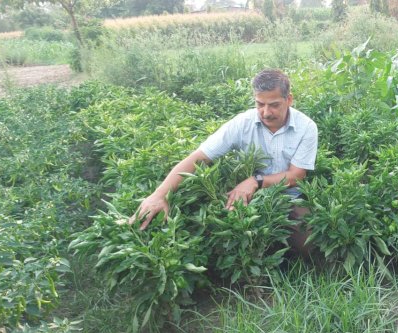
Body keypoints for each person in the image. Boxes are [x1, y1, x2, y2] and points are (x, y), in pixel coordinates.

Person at [128, 69, 318, 252]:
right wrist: (159, 194)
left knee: (309, 245)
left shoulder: (306, 127)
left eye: (274, 105)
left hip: (287, 197)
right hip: (244, 197)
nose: (266, 112)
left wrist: (255, 181)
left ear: (289, 100)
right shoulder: (241, 123)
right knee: (224, 238)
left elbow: (296, 175)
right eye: (260, 104)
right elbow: (199, 157)